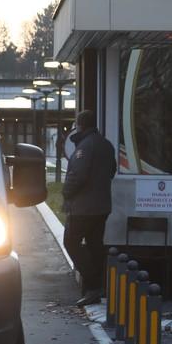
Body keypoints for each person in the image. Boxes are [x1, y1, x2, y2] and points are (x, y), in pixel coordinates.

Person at [62, 110, 117, 307]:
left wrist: (66, 192)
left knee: (71, 242)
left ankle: (93, 285)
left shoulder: (85, 146)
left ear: (80, 125)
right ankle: (97, 287)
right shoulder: (106, 145)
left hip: (83, 208)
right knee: (95, 245)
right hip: (102, 206)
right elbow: (112, 170)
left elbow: (78, 175)